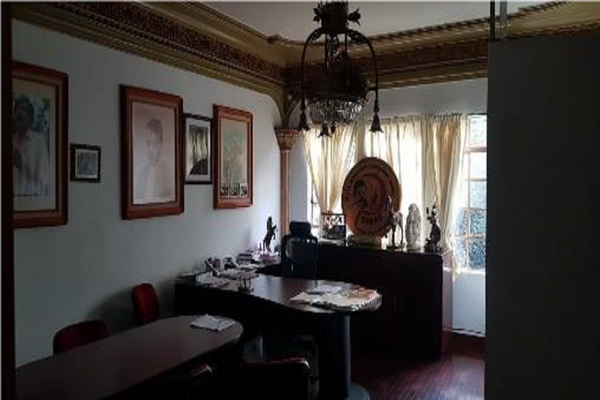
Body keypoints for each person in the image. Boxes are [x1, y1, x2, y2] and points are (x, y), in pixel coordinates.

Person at [13, 96, 49, 197]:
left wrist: (22, 164)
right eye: (17, 108)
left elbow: (44, 178)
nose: (19, 112)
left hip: (34, 201)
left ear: (30, 118)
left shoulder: (39, 141)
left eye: (23, 108)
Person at [135, 117, 174, 203]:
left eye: (155, 143)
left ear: (161, 145)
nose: (150, 150)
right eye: (148, 143)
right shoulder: (142, 174)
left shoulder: (169, 174)